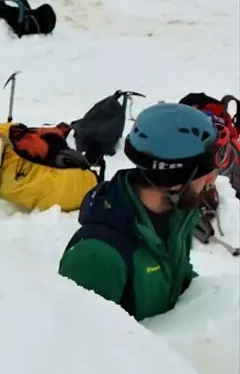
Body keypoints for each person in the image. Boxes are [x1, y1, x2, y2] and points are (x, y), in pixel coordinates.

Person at [58, 102, 220, 321]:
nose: (211, 180)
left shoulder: (176, 216)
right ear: (174, 180)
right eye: (205, 173)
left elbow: (177, 276)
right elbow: (80, 344)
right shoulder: (97, 258)